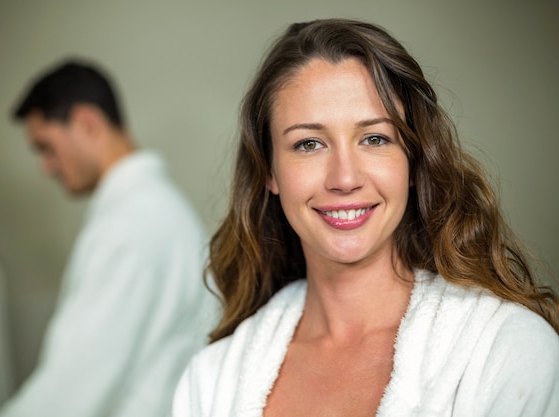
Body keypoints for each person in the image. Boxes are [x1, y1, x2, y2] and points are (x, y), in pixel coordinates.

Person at [172, 18, 559, 417]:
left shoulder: (505, 350)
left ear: (414, 159)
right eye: (308, 144)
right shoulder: (212, 378)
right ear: (270, 171)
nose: (345, 179)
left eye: (375, 138)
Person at [0, 59, 214, 417]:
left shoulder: (134, 222)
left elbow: (71, 391)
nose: (45, 166)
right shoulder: (151, 208)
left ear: (86, 122)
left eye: (46, 146)